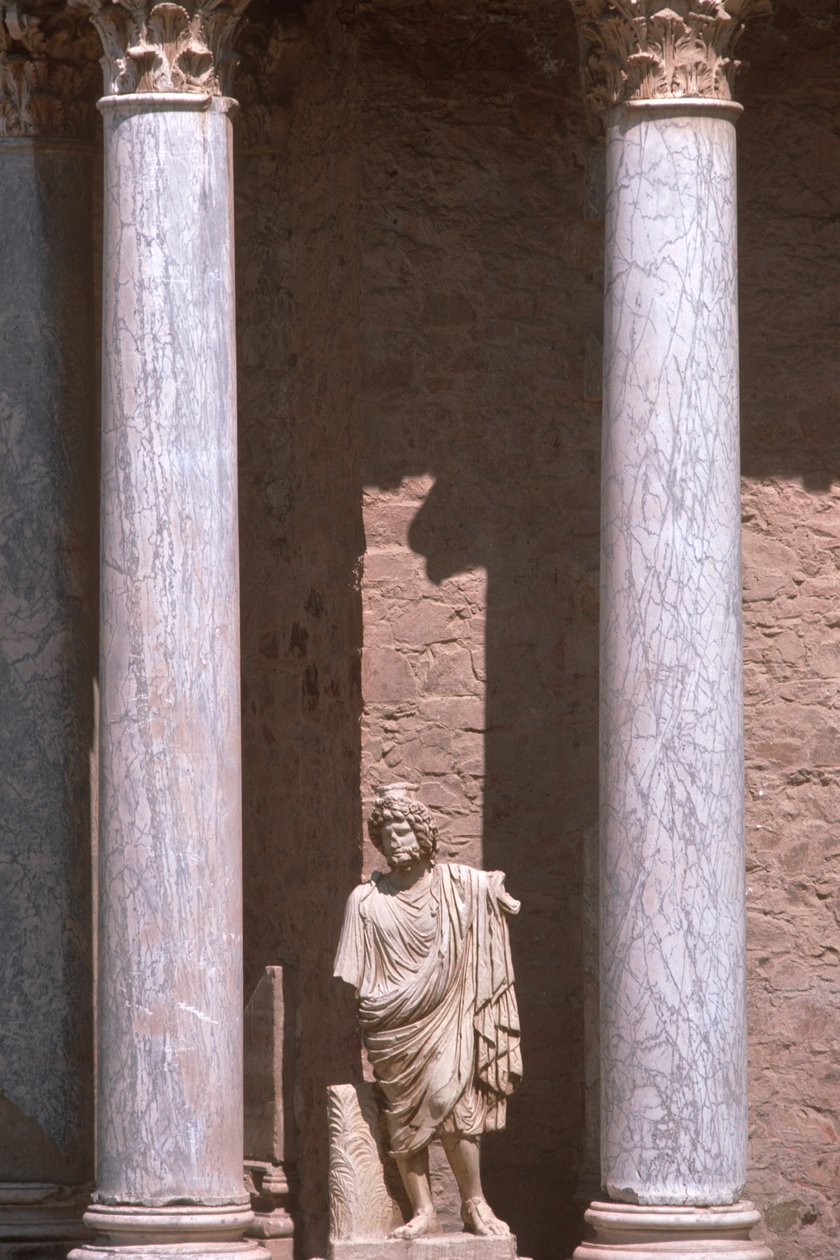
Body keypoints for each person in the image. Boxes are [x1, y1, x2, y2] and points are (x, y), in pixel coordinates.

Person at [334, 783, 522, 1240]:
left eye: (402, 830)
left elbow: (488, 887)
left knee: (452, 1101)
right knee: (401, 1115)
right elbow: (353, 971)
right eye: (386, 834)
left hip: (445, 1013)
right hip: (390, 1023)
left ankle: (474, 1203)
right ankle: (423, 1210)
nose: (394, 840)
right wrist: (377, 1003)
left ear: (422, 834)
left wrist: (495, 891)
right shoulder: (365, 901)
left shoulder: (456, 885)